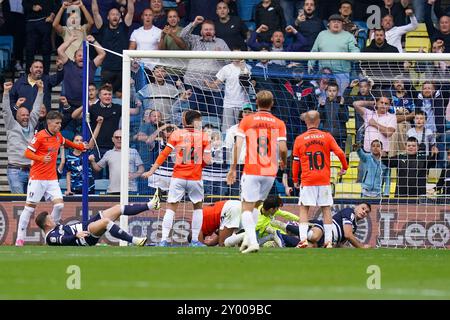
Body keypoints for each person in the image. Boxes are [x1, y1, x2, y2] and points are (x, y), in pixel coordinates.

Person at [226, 90, 288, 254]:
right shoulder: (279, 122)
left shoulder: (247, 120)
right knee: (257, 205)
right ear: (272, 103)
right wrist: (284, 162)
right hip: (270, 170)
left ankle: (252, 241)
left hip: (252, 169)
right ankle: (248, 238)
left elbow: (237, 145)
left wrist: (233, 168)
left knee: (246, 206)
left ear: (256, 103)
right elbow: (283, 148)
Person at [16, 111, 87, 246]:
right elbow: (27, 152)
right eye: (57, 123)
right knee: (29, 208)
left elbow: (67, 142)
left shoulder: (58, 136)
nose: (59, 126)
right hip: (37, 178)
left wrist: (80, 147)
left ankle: (51, 233)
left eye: (60, 123)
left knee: (59, 205)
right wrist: (41, 158)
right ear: (49, 123)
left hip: (52, 179)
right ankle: (20, 239)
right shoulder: (40, 136)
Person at [142, 110, 211, 247]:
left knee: (171, 208)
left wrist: (151, 171)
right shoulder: (204, 136)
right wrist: (198, 165)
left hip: (178, 176)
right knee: (197, 208)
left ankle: (163, 240)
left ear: (185, 121)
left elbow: (164, 154)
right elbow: (208, 161)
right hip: (195, 178)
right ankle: (196, 241)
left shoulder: (177, 133)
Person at [292, 110, 348, 249]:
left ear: (306, 121)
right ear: (318, 121)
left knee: (304, 209)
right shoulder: (327, 136)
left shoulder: (299, 139)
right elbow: (340, 152)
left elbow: (295, 162)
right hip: (323, 179)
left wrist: (294, 179)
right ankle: (328, 241)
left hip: (308, 179)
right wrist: (345, 167)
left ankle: (303, 240)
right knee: (326, 209)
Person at [34, 195, 161, 246]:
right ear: (47, 223)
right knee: (105, 222)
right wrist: (75, 235)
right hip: (84, 237)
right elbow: (63, 240)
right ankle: (135, 241)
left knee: (116, 209)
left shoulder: (54, 227)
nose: (53, 218)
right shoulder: (50, 237)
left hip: (87, 225)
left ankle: (151, 205)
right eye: (50, 218)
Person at [1, 81, 42, 194]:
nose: (26, 117)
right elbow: (6, 111)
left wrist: (40, 91)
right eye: (23, 115)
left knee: (31, 202)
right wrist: (5, 93)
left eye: (27, 115)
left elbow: (37, 109)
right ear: (17, 116)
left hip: (31, 170)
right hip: (15, 170)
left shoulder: (31, 124)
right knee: (18, 203)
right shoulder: (11, 125)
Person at [280, 203, 372, 248]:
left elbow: (339, 244)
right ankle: (287, 226)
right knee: (314, 237)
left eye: (366, 212)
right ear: (356, 207)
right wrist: (362, 247)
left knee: (309, 247)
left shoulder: (354, 227)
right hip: (323, 228)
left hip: (325, 240)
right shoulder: (349, 212)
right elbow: (348, 235)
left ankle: (280, 237)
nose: (364, 212)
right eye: (363, 208)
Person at [89, 130, 145, 195]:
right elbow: (98, 168)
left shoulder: (133, 151)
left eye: (121, 137)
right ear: (113, 139)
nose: (119, 139)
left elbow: (142, 169)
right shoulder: (109, 153)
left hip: (130, 189)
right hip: (113, 190)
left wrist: (135, 175)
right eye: (117, 137)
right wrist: (92, 161)